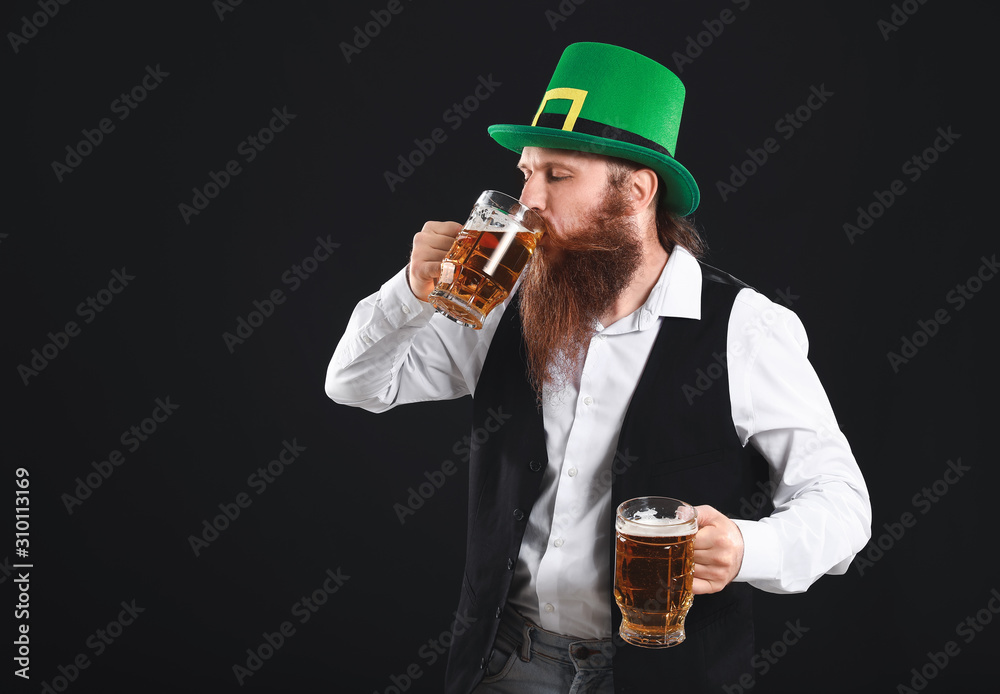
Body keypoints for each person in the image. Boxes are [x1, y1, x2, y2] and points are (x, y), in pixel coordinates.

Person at [326, 42, 871, 694]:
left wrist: (750, 550)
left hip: (662, 677)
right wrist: (409, 292)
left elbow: (842, 508)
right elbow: (356, 384)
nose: (527, 199)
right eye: (526, 171)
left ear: (635, 189)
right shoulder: (505, 301)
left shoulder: (746, 329)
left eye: (557, 176)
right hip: (505, 663)